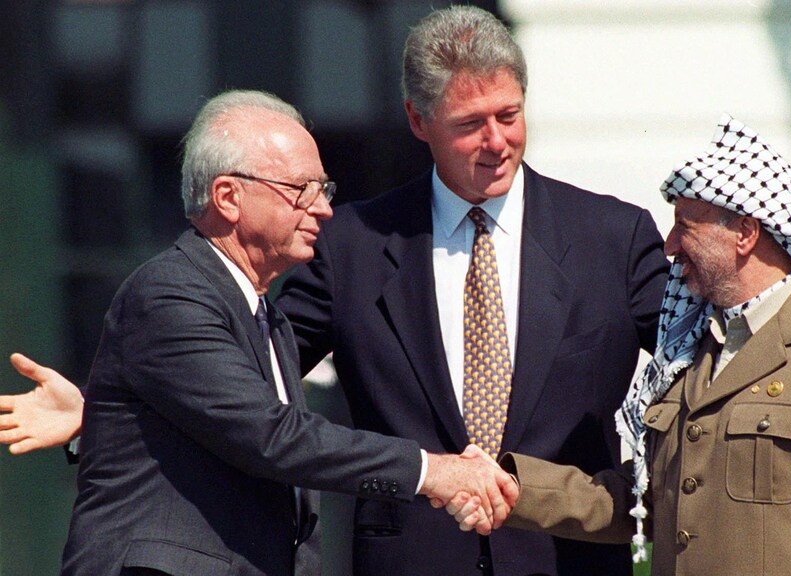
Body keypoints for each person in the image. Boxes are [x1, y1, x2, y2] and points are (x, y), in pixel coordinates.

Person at [0, 6, 791, 576]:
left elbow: (705, 351)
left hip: (566, 558)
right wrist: (108, 412)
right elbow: (253, 394)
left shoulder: (610, 232)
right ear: (420, 122)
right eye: (470, 123)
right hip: (409, 558)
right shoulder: (353, 242)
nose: (496, 140)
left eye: (510, 115)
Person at [38, 89, 517, 576]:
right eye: (301, 190)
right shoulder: (169, 295)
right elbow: (273, 437)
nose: (323, 209)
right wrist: (432, 471)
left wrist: (89, 412)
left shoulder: (269, 317)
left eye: (324, 190)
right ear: (229, 197)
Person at [452, 115, 791, 575]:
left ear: (745, 233)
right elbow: (643, 502)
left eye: (686, 225)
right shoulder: (692, 352)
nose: (669, 244)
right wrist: (512, 488)